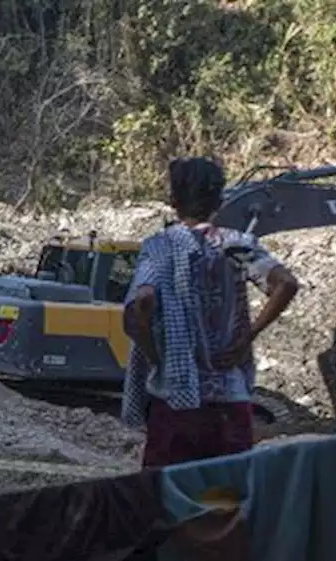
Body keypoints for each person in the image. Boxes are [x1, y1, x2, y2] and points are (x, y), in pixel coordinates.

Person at [123, 156, 300, 468]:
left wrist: (155, 355)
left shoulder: (160, 246)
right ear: (219, 200)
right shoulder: (237, 244)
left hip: (175, 402)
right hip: (229, 402)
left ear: (173, 201)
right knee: (228, 503)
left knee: (166, 502)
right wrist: (248, 336)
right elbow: (285, 284)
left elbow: (143, 302)